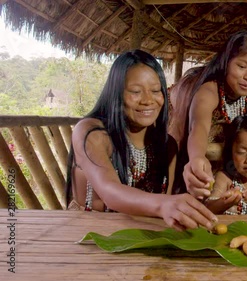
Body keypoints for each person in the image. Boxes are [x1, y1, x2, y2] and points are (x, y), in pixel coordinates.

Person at [65, 49, 217, 231]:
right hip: (89, 233)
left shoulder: (167, 145)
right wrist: (164, 204)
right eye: (136, 91)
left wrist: (201, 194)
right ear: (116, 93)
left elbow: (165, 207)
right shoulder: (92, 132)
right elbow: (109, 190)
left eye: (155, 91)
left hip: (140, 232)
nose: (148, 100)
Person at [169, 30, 247, 198]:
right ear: (226, 63)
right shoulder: (208, 91)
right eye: (241, 67)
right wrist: (197, 158)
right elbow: (199, 126)